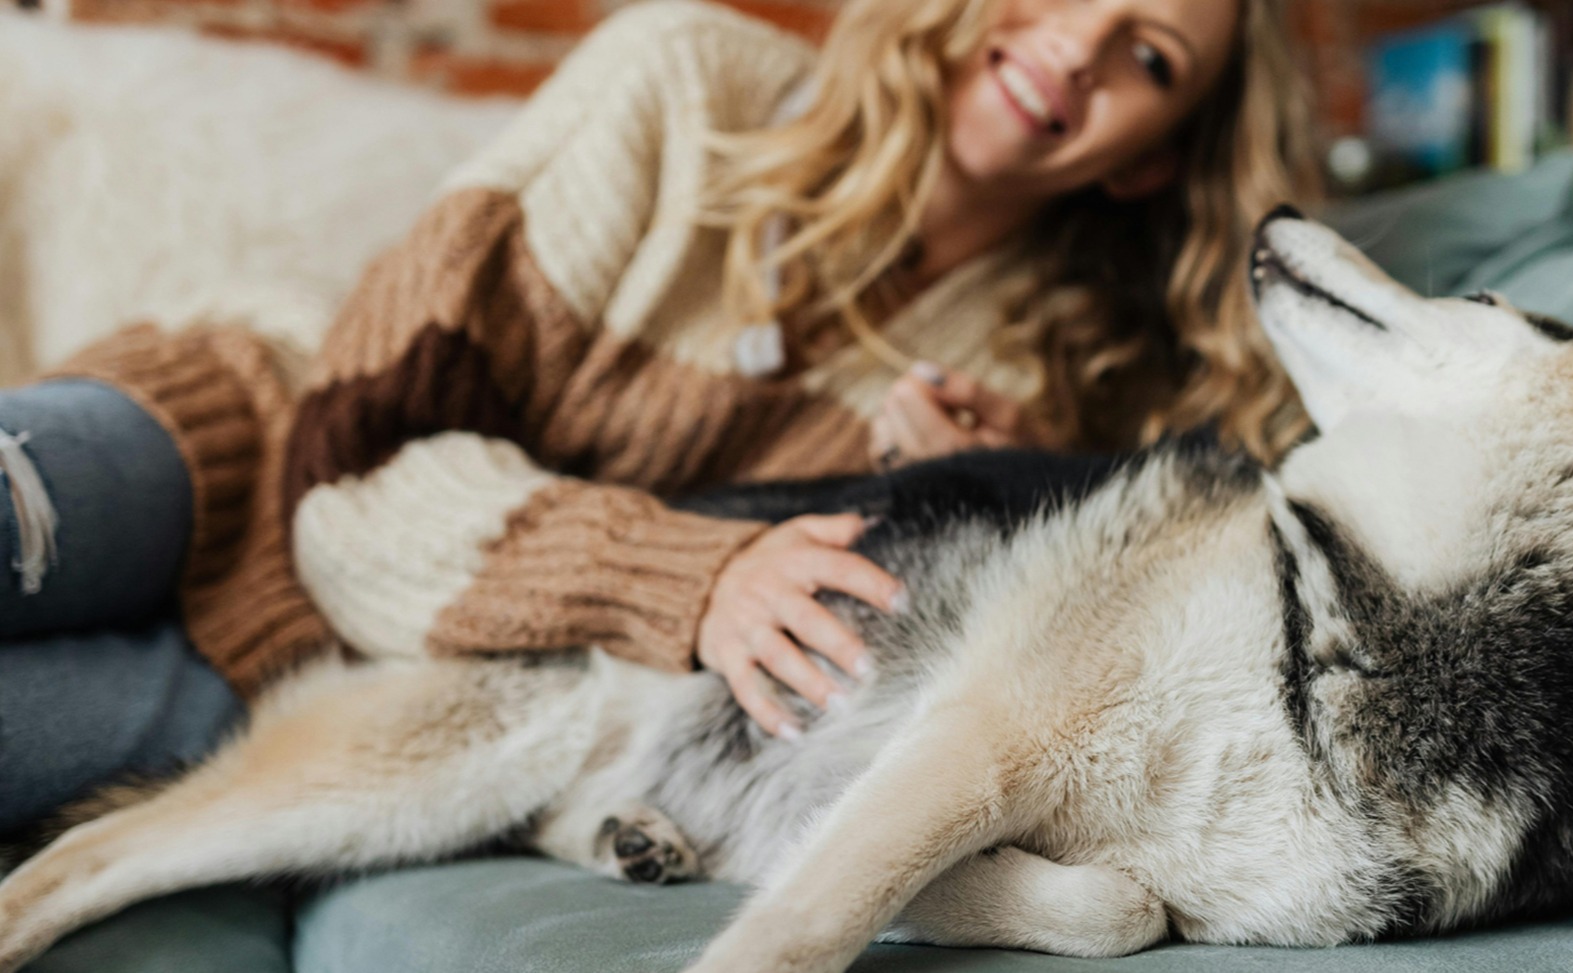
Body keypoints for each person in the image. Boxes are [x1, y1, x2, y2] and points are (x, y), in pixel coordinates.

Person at [0, 0, 1317, 836]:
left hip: (330, 679)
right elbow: (360, 463)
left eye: (1147, 55)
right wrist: (696, 570)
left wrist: (993, 482)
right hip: (239, 439)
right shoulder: (687, 84)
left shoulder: (1049, 401)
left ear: (1150, 152)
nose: (1074, 46)